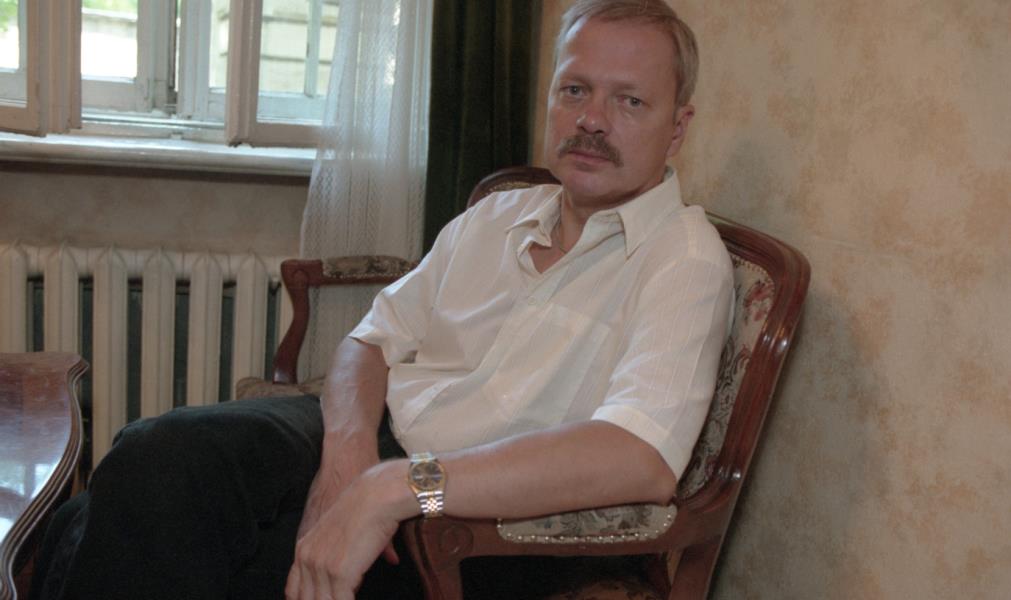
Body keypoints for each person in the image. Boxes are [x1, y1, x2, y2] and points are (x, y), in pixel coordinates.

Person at [33, 1, 733, 599]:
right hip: (385, 441)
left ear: (677, 127)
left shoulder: (683, 259)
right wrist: (348, 457)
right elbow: (369, 340)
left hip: (489, 523)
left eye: (629, 100)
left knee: (129, 532)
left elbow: (638, 457)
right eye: (575, 90)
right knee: (152, 457)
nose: (592, 120)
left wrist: (397, 487)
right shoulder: (499, 214)